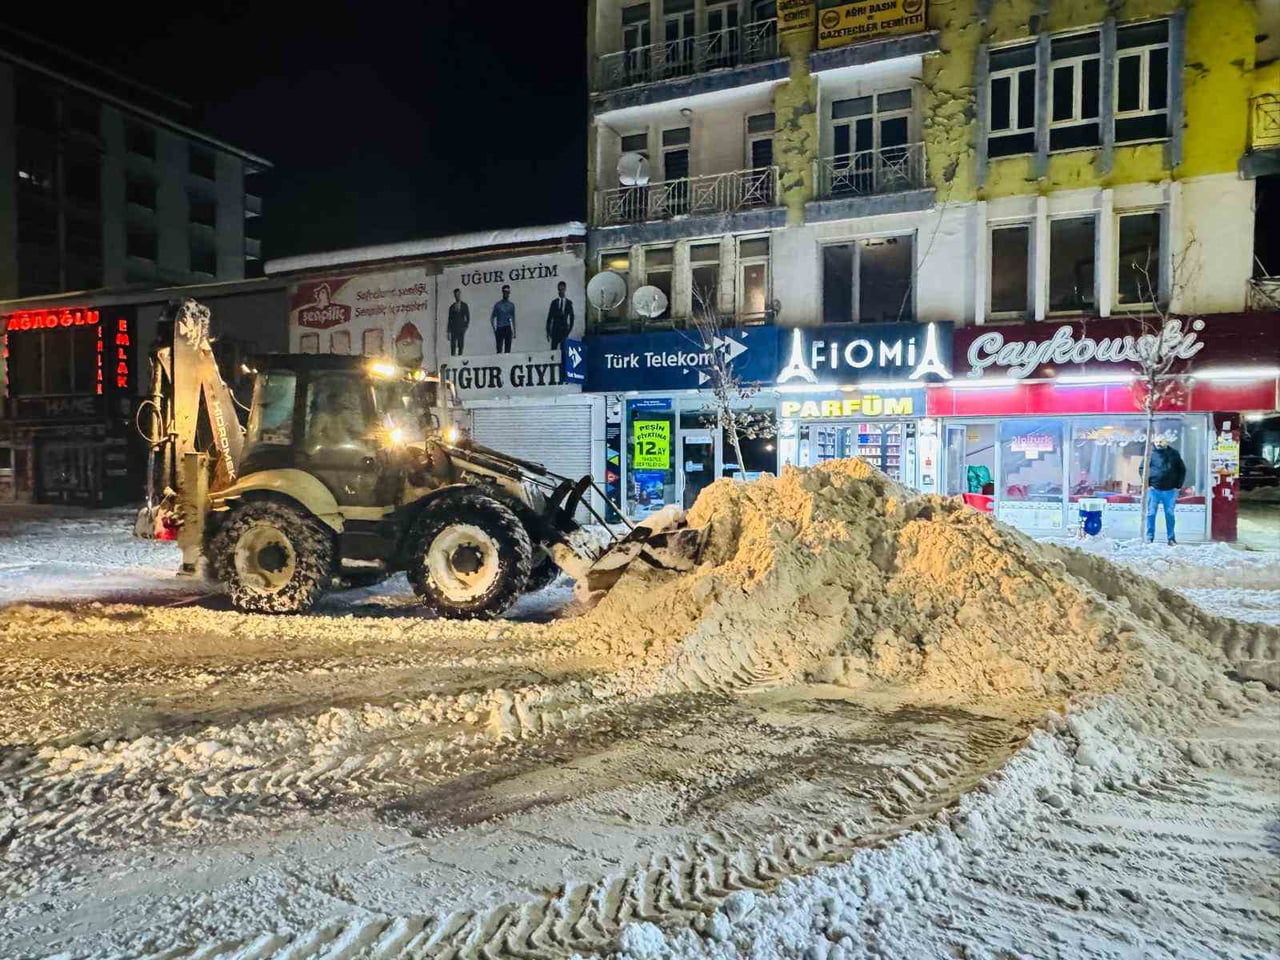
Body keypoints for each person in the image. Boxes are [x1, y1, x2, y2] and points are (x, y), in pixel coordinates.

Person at [1145, 437, 1186, 544]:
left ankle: (1171, 538)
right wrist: (1147, 484)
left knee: (1169, 514)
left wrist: (1178, 485)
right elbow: (1142, 469)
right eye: (1156, 441)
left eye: (1161, 441)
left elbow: (1182, 469)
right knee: (1151, 513)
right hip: (1154, 489)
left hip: (1170, 490)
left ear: (1167, 442)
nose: (1158, 443)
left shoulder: (1174, 454)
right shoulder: (1150, 454)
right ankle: (1149, 537)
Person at [546, 280, 575, 350]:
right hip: (555, 330)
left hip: (564, 330)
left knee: (564, 349)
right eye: (559, 289)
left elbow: (572, 317)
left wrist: (569, 330)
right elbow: (549, 318)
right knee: (553, 349)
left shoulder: (568, 303)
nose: (561, 291)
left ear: (565, 289)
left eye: (562, 289)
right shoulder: (554, 302)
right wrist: (548, 332)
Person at [491, 285, 516, 353]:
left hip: (508, 328)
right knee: (499, 349)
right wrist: (494, 330)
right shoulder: (498, 305)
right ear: (502, 292)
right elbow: (492, 318)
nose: (506, 294)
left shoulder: (511, 305)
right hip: (500, 328)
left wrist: (514, 332)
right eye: (505, 292)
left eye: (508, 292)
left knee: (507, 350)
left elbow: (513, 318)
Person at [446, 288, 469, 356]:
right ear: (454, 296)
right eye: (456, 295)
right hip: (453, 329)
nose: (457, 296)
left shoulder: (464, 305)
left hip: (461, 329)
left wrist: (465, 326)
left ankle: (460, 357)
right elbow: (450, 319)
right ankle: (453, 358)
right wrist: (448, 331)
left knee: (460, 345)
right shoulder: (452, 307)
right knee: (453, 345)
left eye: (458, 294)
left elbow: (468, 317)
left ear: (460, 294)